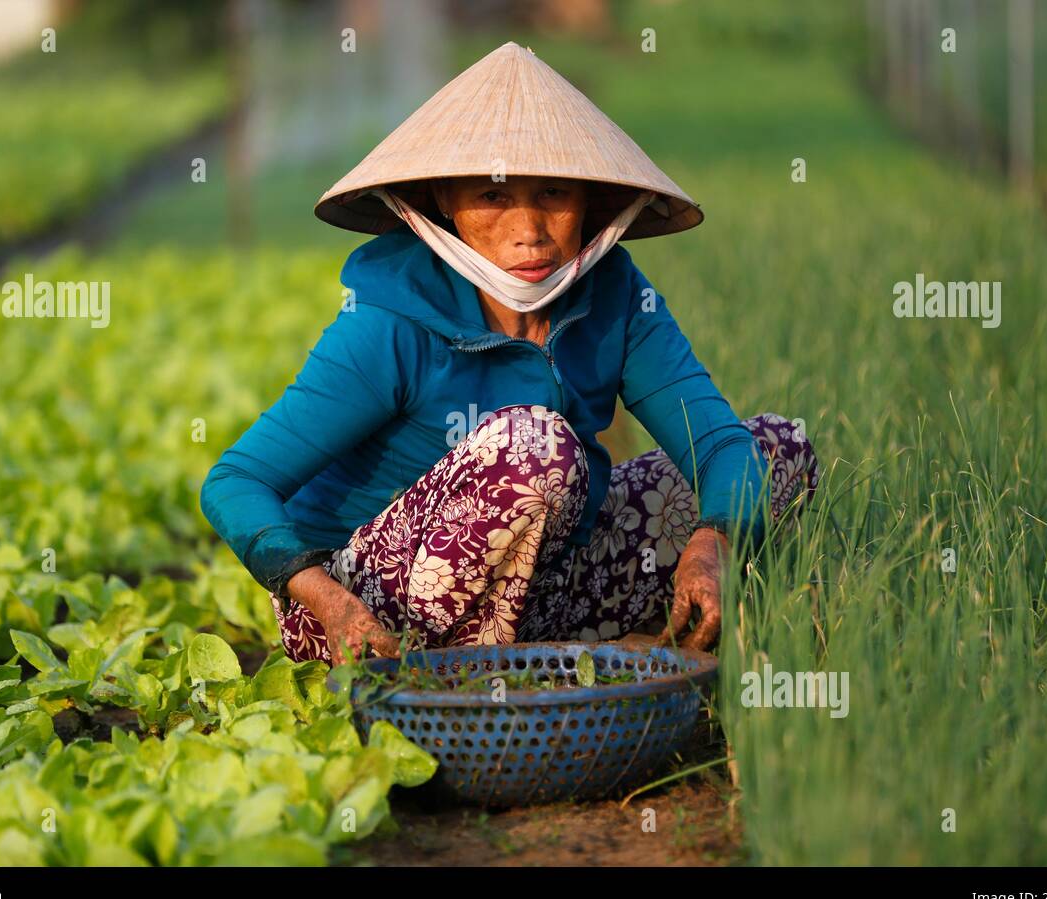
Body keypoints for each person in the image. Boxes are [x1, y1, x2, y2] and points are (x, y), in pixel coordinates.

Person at [200, 42, 818, 664]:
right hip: (371, 615)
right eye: (493, 197)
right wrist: (331, 603)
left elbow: (716, 443)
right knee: (536, 443)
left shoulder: (617, 297)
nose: (529, 228)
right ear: (445, 200)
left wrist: (714, 541)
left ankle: (554, 650)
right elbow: (236, 481)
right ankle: (489, 676)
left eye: (553, 193)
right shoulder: (389, 320)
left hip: (546, 584)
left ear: (589, 200)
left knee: (775, 452)